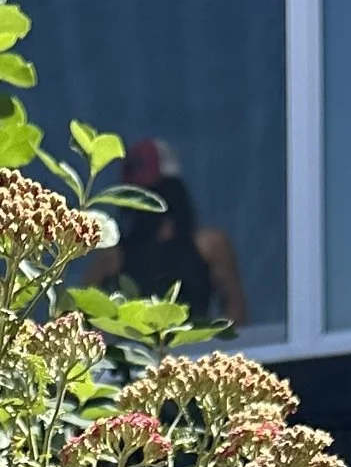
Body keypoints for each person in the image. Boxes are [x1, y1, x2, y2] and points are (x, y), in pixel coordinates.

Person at [91, 135, 249, 333]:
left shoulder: (210, 247)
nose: (150, 209)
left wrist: (215, 354)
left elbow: (236, 312)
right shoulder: (112, 259)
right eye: (139, 198)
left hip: (195, 356)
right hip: (141, 359)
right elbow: (78, 316)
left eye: (158, 194)